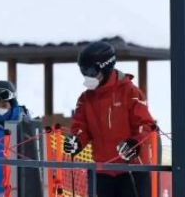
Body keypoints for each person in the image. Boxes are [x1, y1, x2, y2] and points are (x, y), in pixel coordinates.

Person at [63, 41, 155, 197]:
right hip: (103, 171)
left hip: (131, 170)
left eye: (91, 71)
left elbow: (146, 125)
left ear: (105, 67)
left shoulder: (130, 92)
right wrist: (76, 141)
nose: (87, 76)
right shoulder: (86, 99)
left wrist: (134, 144)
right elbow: (80, 128)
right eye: (83, 71)